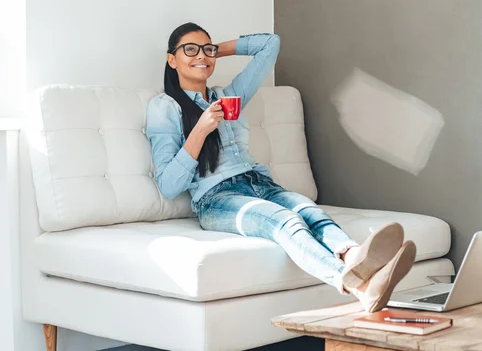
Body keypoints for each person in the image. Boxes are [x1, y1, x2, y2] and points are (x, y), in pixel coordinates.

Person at [146, 22, 416, 312]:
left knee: (309, 211)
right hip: (217, 199)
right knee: (286, 222)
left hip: (259, 184)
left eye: (206, 49)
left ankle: (355, 258)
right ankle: (359, 286)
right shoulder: (165, 107)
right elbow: (169, 185)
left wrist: (210, 53)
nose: (201, 55)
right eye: (189, 50)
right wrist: (200, 130)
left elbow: (269, 44)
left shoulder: (227, 96)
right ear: (171, 59)